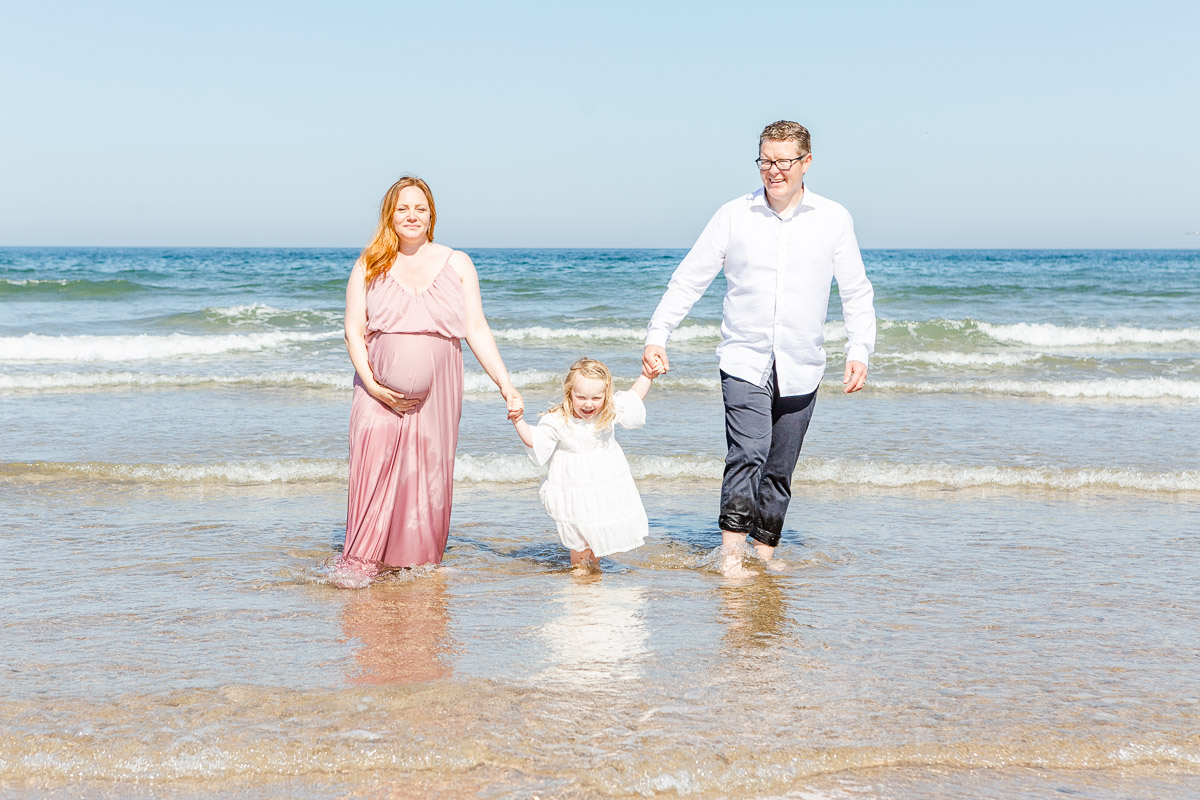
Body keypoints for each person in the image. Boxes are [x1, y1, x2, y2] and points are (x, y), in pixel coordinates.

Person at [642, 120, 876, 577]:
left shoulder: (833, 219)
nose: (773, 171)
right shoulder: (733, 215)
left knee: (779, 468)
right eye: (766, 161)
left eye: (783, 161)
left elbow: (856, 290)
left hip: (802, 362)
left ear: (806, 163)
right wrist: (658, 334)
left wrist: (859, 349)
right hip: (743, 358)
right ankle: (731, 557)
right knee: (747, 452)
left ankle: (763, 559)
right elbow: (690, 278)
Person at [339, 176, 523, 582]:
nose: (411, 215)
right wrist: (372, 384)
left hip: (438, 392)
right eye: (403, 208)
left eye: (420, 208)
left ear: (431, 215)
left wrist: (505, 385)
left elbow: (475, 327)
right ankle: (360, 568)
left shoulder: (456, 262)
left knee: (426, 479)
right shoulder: (369, 262)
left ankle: (415, 571)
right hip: (375, 392)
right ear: (390, 214)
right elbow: (353, 329)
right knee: (373, 473)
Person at [511, 357, 657, 573]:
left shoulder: (607, 413)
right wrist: (518, 420)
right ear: (570, 392)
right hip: (574, 490)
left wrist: (647, 376)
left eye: (596, 397)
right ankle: (579, 573)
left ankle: (593, 572)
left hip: (603, 489)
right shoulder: (559, 419)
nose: (589, 404)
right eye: (581, 397)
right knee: (579, 541)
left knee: (598, 539)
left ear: (605, 395)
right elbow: (535, 440)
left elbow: (633, 397)